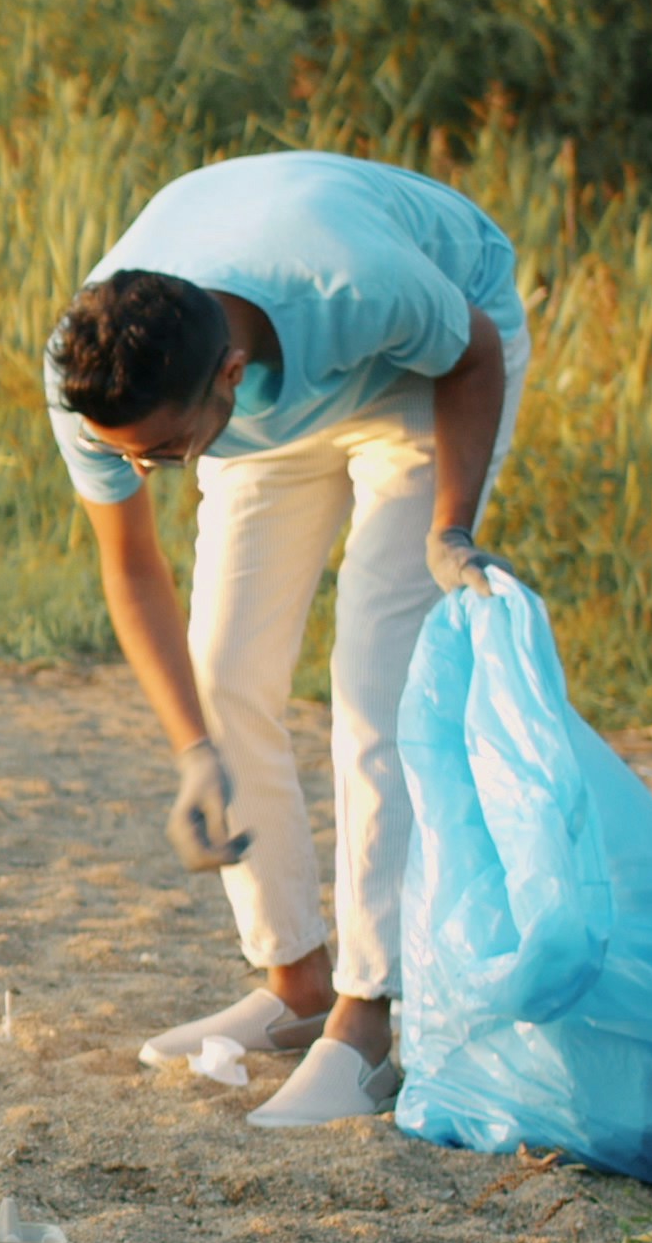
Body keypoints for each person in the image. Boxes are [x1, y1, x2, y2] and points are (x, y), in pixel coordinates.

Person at [42, 150, 529, 1128]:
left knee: (371, 689)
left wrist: (451, 530)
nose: (144, 469)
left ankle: (369, 1019)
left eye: (164, 453)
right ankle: (298, 984)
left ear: (228, 376)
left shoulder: (352, 281)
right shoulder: (94, 379)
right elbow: (133, 565)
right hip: (268, 414)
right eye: (126, 451)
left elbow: (472, 352)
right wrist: (192, 756)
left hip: (418, 378)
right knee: (223, 679)